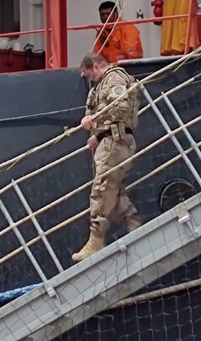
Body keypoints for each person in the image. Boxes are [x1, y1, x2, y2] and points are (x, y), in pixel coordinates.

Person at [73, 52, 142, 262]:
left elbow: (119, 106)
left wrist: (93, 119)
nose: (90, 80)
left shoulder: (114, 78)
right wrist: (98, 135)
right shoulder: (104, 83)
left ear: (95, 66)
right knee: (115, 188)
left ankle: (96, 240)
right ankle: (134, 225)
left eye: (89, 75)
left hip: (116, 143)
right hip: (110, 140)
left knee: (102, 188)